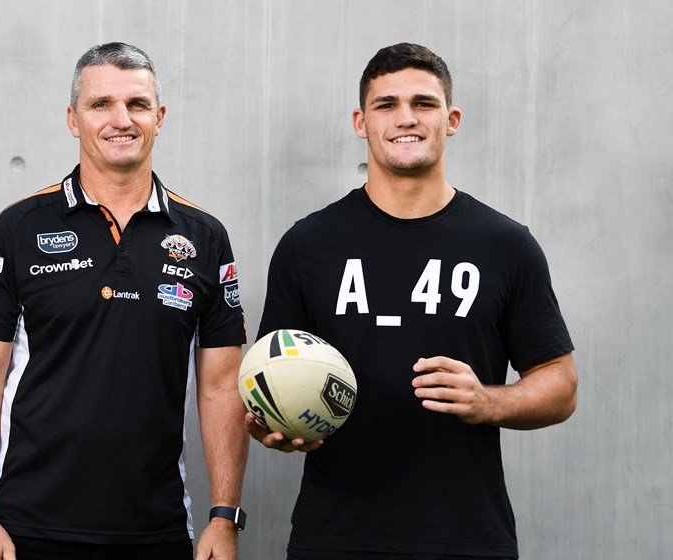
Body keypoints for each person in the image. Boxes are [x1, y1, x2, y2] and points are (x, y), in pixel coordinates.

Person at [246, 43, 578, 559]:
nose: (406, 118)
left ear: (452, 119)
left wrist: (488, 401)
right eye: (387, 104)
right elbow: (266, 376)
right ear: (361, 122)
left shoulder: (506, 245)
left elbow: (561, 384)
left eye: (424, 103)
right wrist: (271, 423)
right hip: (335, 538)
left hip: (466, 539)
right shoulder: (307, 245)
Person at [0, 42, 249, 560]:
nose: (121, 120)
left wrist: (224, 518)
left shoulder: (204, 237)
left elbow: (222, 388)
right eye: (100, 104)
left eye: (137, 105)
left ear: (159, 117)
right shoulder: (18, 228)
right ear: (73, 119)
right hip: (28, 529)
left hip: (156, 529)